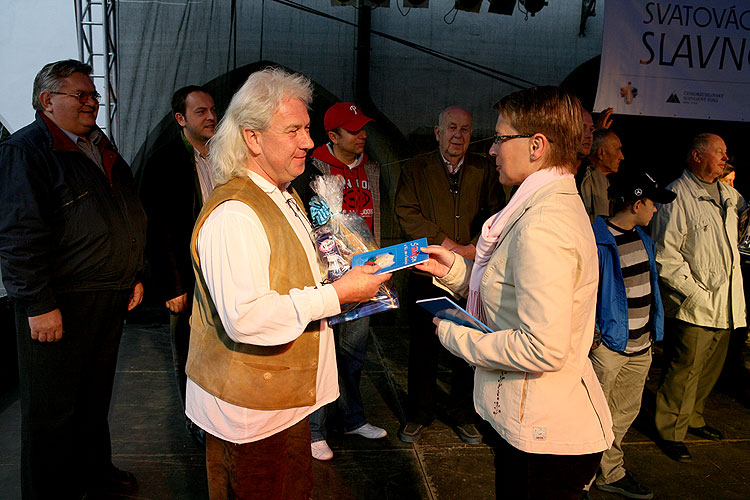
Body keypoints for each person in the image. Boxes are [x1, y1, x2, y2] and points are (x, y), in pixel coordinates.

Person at [183, 68, 391, 500]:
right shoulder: (236, 214)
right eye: (293, 130)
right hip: (252, 416)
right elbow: (247, 318)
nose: (307, 141)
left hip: (283, 405)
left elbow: (296, 270)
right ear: (253, 138)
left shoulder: (283, 193)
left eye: (308, 129)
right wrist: (337, 294)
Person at [415, 86, 613, 499]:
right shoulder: (537, 205)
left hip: (545, 437)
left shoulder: (544, 223)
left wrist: (458, 338)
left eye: (501, 139)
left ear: (537, 146)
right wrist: (457, 272)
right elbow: (512, 287)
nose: (492, 150)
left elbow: (542, 346)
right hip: (537, 425)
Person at [0, 59, 147, 499]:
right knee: (52, 410)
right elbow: (18, 233)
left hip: (106, 293)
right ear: (47, 101)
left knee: (93, 396)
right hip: (60, 301)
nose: (92, 103)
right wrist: (38, 303)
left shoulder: (101, 147)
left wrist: (132, 273)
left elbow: (123, 215)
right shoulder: (25, 151)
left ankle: (92, 471)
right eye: (80, 95)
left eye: (93, 95)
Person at [394, 106, 505, 444]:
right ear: (437, 132)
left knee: (468, 344)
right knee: (423, 346)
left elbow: (497, 213)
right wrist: (448, 245)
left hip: (472, 271)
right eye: (452, 128)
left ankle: (463, 413)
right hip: (427, 270)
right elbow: (406, 213)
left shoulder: (485, 169)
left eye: (466, 129)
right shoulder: (415, 168)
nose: (459, 135)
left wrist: (472, 249)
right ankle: (419, 413)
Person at [290, 102, 387, 461]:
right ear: (332, 136)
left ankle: (352, 418)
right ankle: (315, 430)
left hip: (366, 275)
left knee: (353, 354)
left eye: (364, 129)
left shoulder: (373, 168)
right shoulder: (308, 169)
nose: (362, 136)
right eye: (353, 130)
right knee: (321, 353)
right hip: (325, 278)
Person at [651, 133, 746, 463]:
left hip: (726, 303)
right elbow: (665, 254)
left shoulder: (729, 196)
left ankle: (692, 418)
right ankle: (669, 430)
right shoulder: (676, 195)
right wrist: (694, 293)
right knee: (685, 368)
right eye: (718, 152)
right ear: (696, 156)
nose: (724, 157)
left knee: (709, 369)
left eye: (724, 152)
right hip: (696, 304)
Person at [587, 170, 676, 500]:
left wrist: (652, 334)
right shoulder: (595, 242)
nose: (655, 210)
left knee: (623, 413)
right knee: (592, 415)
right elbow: (584, 296)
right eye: (652, 204)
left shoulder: (644, 239)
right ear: (637, 203)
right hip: (609, 348)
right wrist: (595, 337)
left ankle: (610, 471)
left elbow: (649, 290)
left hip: (640, 347)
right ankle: (579, 479)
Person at [138, 85, 217, 443]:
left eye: (212, 109)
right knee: (189, 349)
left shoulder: (228, 155)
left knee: (223, 345)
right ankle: (195, 419)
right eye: (200, 111)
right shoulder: (164, 160)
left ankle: (220, 413)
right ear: (181, 119)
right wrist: (171, 285)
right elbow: (158, 229)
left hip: (224, 271)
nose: (211, 116)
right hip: (186, 276)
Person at [580, 129, 625, 221]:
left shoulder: (600, 180)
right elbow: (598, 225)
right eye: (618, 150)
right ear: (601, 153)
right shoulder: (595, 180)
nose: (621, 157)